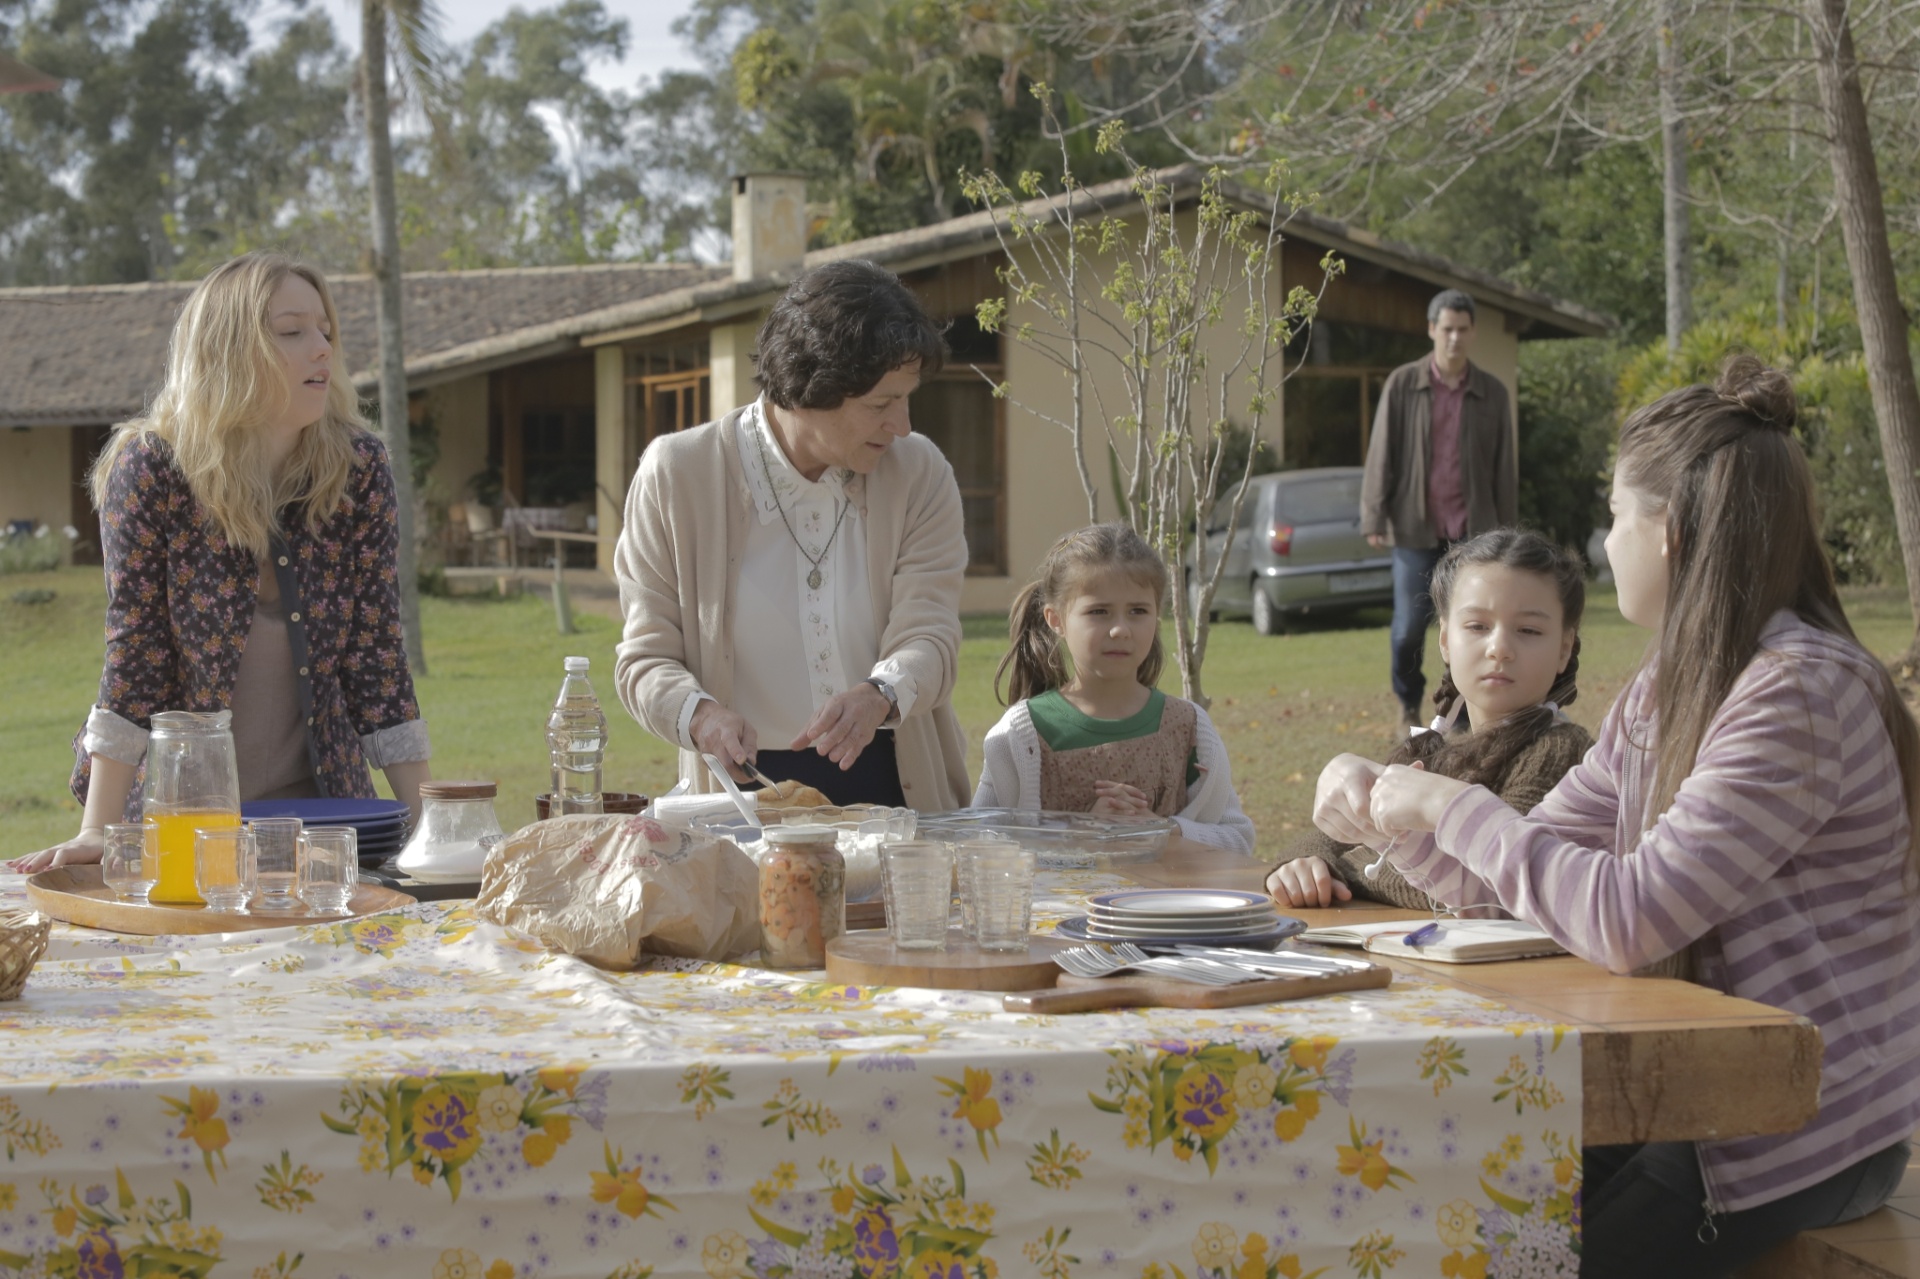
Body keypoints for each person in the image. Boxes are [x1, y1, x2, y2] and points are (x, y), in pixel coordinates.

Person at [1326, 357, 1919, 1276]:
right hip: (1689, 1089)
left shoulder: (1797, 694)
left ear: (1671, 531)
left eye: (1614, 514)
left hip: (1792, 1127)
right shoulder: (1670, 685)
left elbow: (1629, 918)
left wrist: (1453, 802)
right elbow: (1521, 885)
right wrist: (1392, 815)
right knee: (1434, 1211)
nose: (1604, 543)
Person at [13, 252, 431, 872]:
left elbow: (376, 657)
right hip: (183, 826)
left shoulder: (358, 470)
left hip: (325, 828)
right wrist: (99, 828)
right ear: (230, 350)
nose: (322, 348)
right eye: (292, 331)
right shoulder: (153, 469)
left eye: (325, 330)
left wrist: (430, 827)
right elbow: (136, 653)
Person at [614, 259, 971, 811]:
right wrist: (702, 717)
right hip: (741, 799)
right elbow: (644, 661)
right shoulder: (678, 474)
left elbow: (932, 636)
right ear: (811, 387)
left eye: (907, 398)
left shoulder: (919, 472)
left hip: (899, 789)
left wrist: (881, 694)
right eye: (881, 404)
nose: (901, 425)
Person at [1266, 528, 1590, 910]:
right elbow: (1336, 835)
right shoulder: (1433, 746)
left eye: (1529, 630)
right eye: (1477, 626)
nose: (1500, 648)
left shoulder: (1561, 752)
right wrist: (1306, 864)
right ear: (1445, 640)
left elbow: (1482, 887)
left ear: (1564, 648)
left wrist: (1351, 866)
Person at [974, 523, 1254, 852]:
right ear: (1056, 620)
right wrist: (1080, 834)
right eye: (1099, 612)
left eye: (1137, 611)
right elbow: (981, 845)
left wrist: (1162, 831)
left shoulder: (1190, 727)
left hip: (1174, 904)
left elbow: (1238, 840)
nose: (1120, 629)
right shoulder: (1019, 736)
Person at [1360, 288, 1517, 728]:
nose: (1454, 338)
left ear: (1472, 333)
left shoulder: (1492, 392)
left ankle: (1460, 706)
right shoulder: (1404, 383)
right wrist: (1375, 512)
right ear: (1432, 330)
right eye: (1446, 329)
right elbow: (1381, 451)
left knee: (1471, 624)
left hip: (1474, 532)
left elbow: (1505, 466)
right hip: (1414, 528)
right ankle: (1408, 699)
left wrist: (1507, 531)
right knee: (1410, 627)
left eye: (1462, 330)